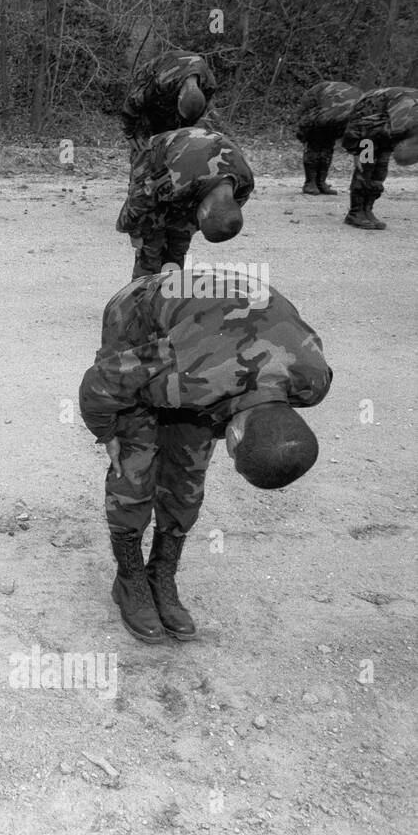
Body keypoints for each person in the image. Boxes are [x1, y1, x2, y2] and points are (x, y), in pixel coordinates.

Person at [79, 272, 331, 644]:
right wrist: (109, 433)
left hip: (213, 333)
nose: (224, 451)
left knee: (189, 470)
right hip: (144, 313)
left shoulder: (312, 381)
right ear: (237, 432)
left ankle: (162, 573)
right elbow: (101, 383)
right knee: (136, 461)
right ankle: (129, 579)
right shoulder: (187, 372)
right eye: (232, 450)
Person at [116, 127, 254, 278]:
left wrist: (184, 231)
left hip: (197, 168)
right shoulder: (180, 179)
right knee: (151, 243)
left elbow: (216, 215)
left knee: (179, 243)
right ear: (203, 211)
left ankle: (171, 292)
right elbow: (141, 196)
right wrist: (134, 230)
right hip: (156, 156)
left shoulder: (244, 184)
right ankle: (142, 294)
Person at [340, 86, 418, 230]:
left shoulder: (406, 121)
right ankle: (355, 213)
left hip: (385, 131)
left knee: (380, 171)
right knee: (366, 167)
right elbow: (358, 124)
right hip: (367, 133)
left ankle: (367, 210)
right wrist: (356, 149)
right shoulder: (404, 116)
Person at [294, 80, 363, 195]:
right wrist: (304, 136)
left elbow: (363, 147)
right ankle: (310, 183)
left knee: (328, 144)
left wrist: (361, 174)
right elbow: (306, 123)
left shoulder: (366, 118)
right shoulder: (330, 115)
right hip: (317, 99)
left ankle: (321, 183)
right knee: (315, 143)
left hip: (337, 105)